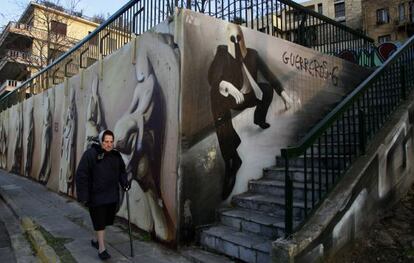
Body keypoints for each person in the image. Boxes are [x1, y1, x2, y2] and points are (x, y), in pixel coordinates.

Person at [208, 23, 294, 200]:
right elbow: (213, 76)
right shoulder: (222, 53)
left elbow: (269, 75)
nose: (236, 42)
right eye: (232, 39)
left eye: (239, 38)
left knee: (267, 89)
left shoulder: (253, 54)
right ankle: (231, 159)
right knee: (214, 95)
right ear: (227, 40)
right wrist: (224, 84)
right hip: (233, 98)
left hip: (250, 96)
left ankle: (259, 119)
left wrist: (284, 95)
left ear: (243, 38)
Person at [76, 129, 129, 260]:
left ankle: (96, 240)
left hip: (111, 195)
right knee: (100, 221)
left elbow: (122, 172)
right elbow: (81, 174)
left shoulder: (116, 156)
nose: (109, 144)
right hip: (96, 196)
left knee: (105, 221)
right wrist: (83, 195)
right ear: (101, 141)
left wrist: (125, 183)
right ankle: (101, 248)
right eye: (106, 141)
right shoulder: (90, 154)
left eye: (111, 142)